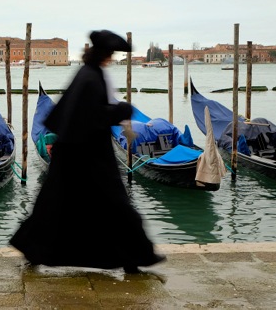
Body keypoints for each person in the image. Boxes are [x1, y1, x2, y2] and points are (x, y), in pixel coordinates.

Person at [10, 29, 165, 273]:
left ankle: (34, 248)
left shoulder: (88, 74)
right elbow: (91, 115)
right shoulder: (91, 78)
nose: (112, 58)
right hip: (87, 154)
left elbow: (76, 114)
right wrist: (122, 110)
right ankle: (133, 256)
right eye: (111, 54)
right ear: (103, 54)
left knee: (58, 204)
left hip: (75, 152)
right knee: (113, 204)